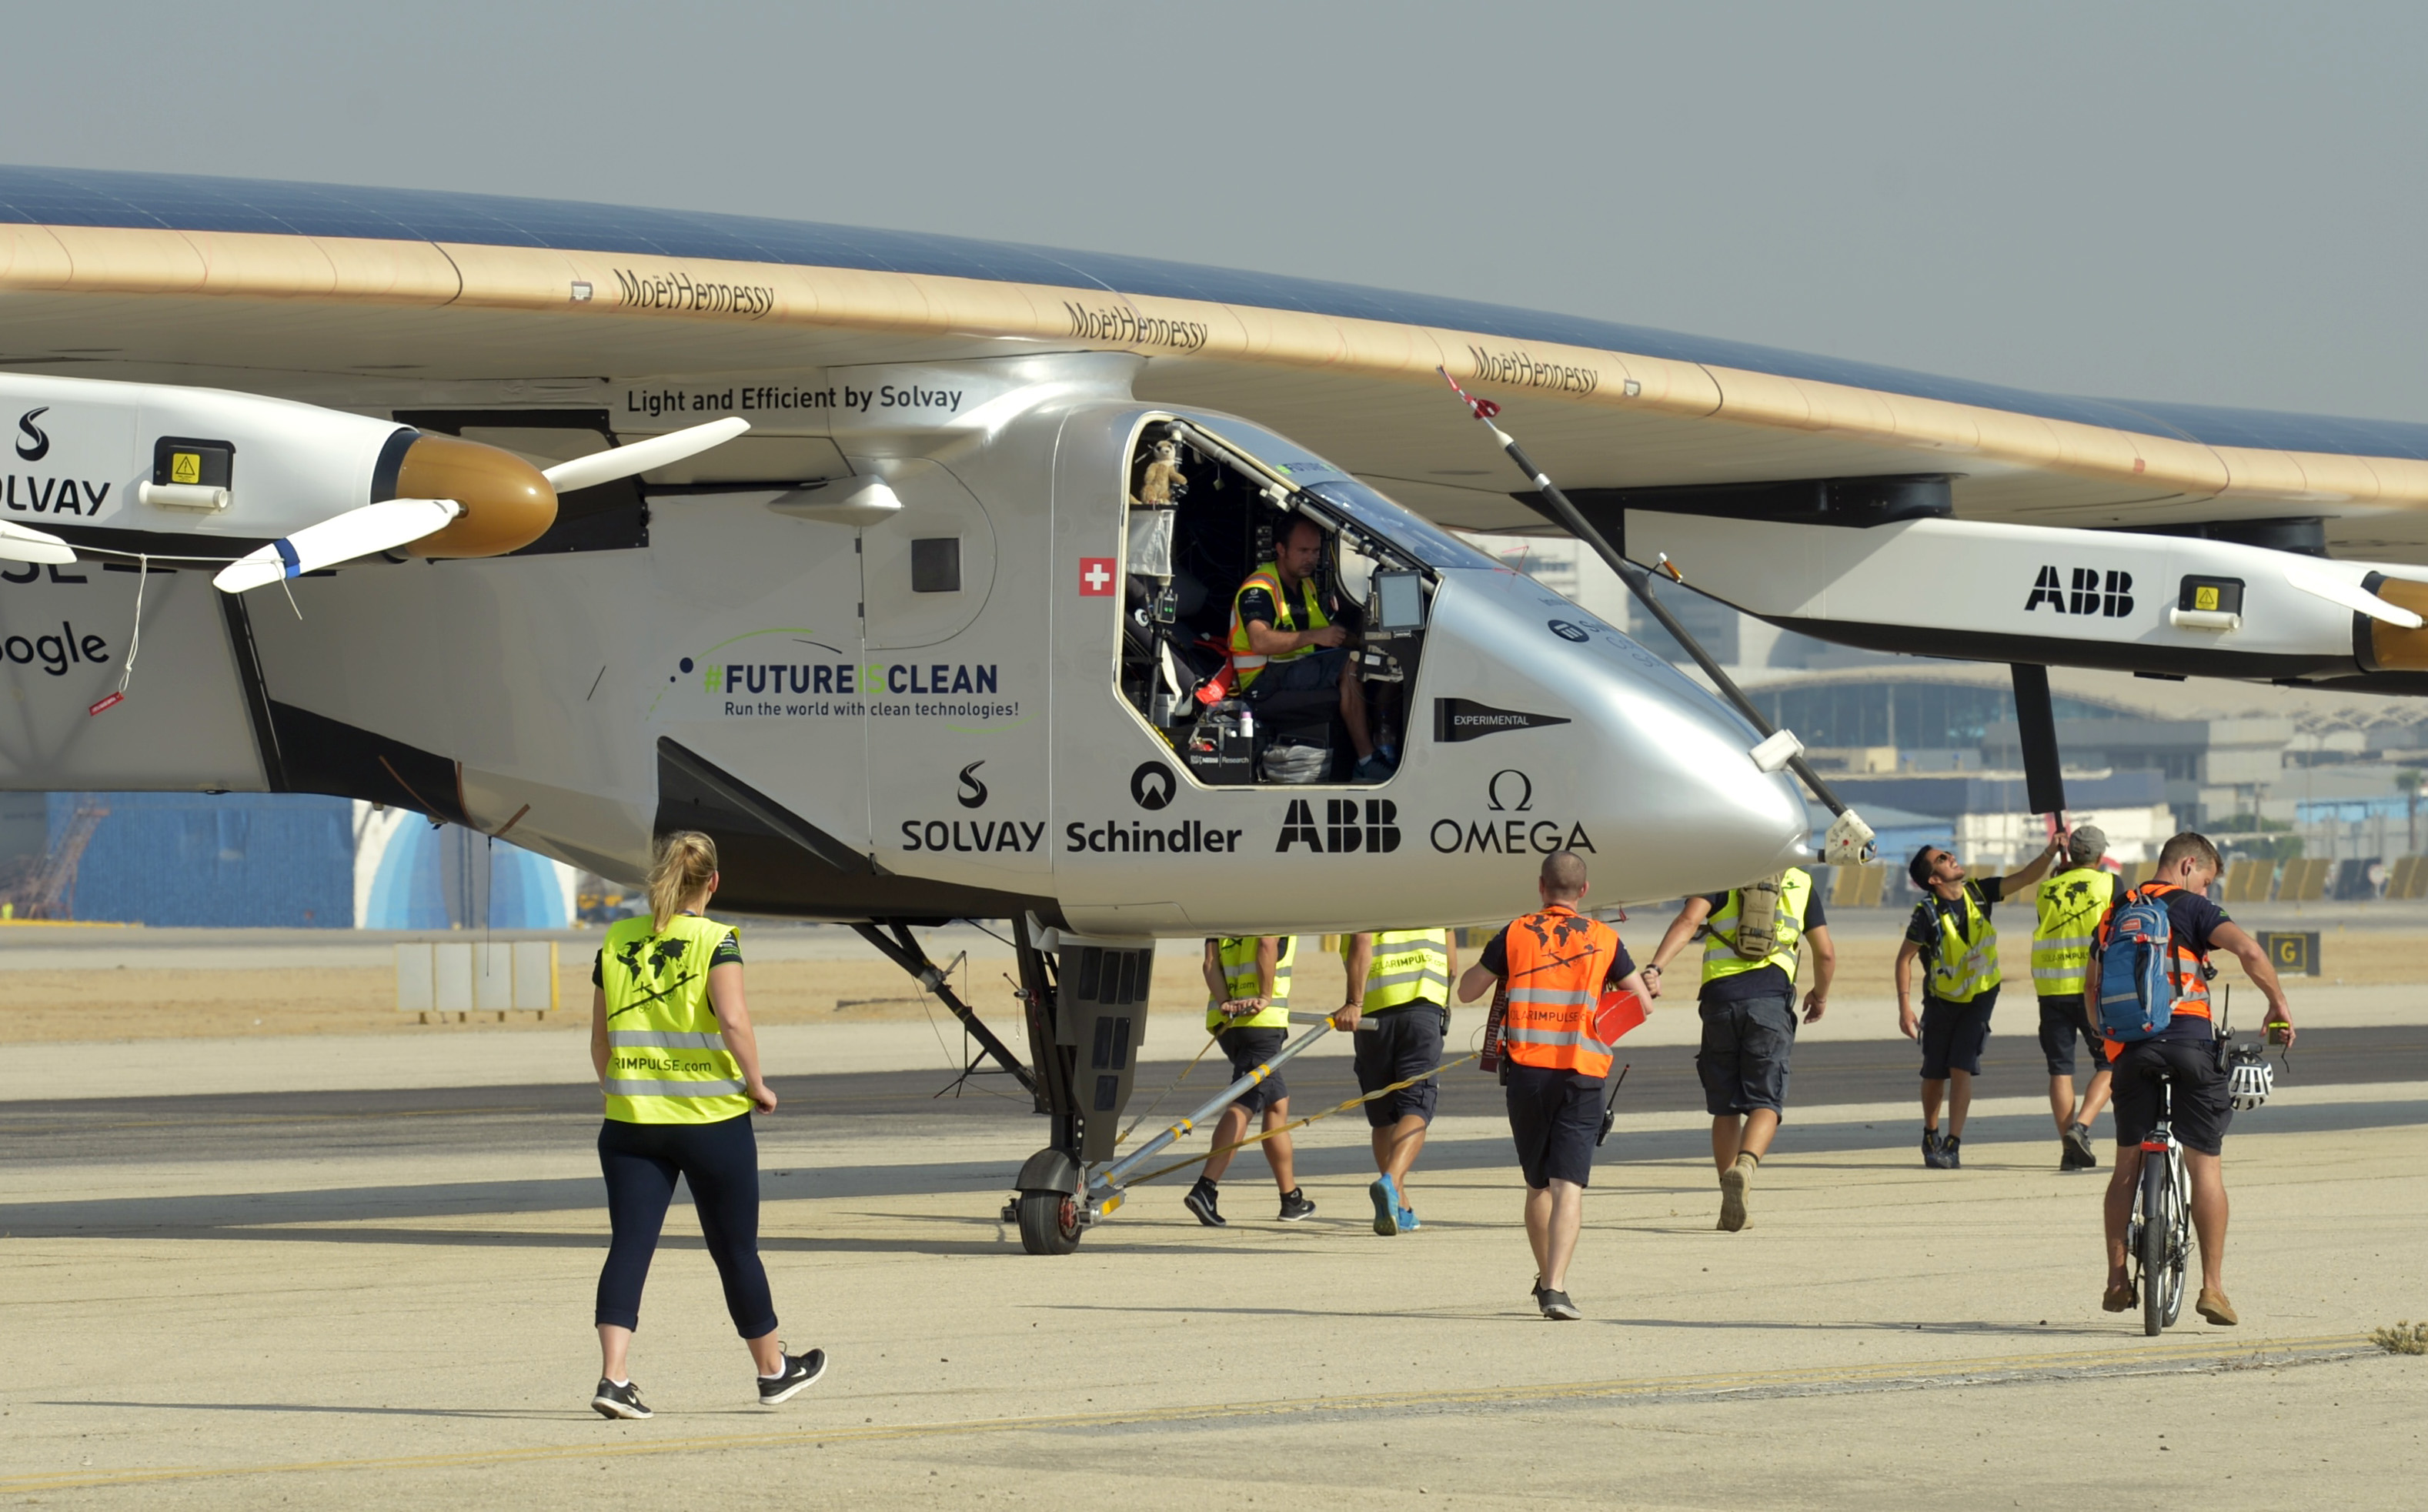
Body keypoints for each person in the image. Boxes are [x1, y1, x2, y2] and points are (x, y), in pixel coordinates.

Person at [586, 832, 823, 1420]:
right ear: (713, 882)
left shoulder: (616, 938)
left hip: (631, 1121)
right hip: (709, 1119)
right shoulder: (716, 940)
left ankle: (614, 1377)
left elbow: (600, 1040)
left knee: (629, 1247)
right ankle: (772, 1371)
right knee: (735, 1249)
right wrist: (758, 1083)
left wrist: (619, 1087)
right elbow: (734, 1021)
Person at [2089, 831, 2295, 1326]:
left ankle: (2118, 1279)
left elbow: (2093, 987)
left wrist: (2110, 1042)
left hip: (2131, 1051)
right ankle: (2214, 1289)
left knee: (2125, 1168)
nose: (2206, 892)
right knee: (2206, 1168)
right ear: (2186, 866)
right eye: (2205, 881)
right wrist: (2278, 1003)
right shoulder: (2192, 908)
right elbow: (2247, 951)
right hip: (2189, 1044)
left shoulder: (2116, 912)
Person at [1457, 852, 1648, 1321]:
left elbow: (1467, 991)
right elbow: (1639, 1003)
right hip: (1583, 1072)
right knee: (1569, 1186)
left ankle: (1546, 1279)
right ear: (1584, 892)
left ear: (1541, 887)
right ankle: (1556, 1286)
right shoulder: (1606, 939)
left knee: (1537, 1183)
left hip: (1528, 1072)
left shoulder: (1517, 933)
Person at [1645, 866, 1833, 1232]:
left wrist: (1655, 968)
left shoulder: (1724, 869)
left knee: (1725, 1106)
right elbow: (1825, 953)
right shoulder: (1800, 880)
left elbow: (1687, 921)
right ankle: (1745, 1167)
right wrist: (1820, 994)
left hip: (1720, 1001)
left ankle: (1727, 1199)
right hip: (1770, 1003)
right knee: (1766, 1101)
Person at [1895, 836, 2063, 1168]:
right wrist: (1905, 1007)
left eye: (1949, 854)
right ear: (1934, 879)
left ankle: (1953, 1145)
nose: (1952, 858)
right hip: (1942, 1000)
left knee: (1962, 1067)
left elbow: (2026, 878)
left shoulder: (1978, 893)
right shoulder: (1926, 914)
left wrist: (2050, 851)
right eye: (1943, 858)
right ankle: (1931, 1132)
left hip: (1982, 995)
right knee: (1934, 1072)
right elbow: (1904, 960)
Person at [1228, 516, 1390, 781]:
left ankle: (1384, 747)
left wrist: (1365, 644)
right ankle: (1367, 760)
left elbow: (1329, 633)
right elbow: (1260, 641)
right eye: (1303, 551)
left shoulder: (1306, 586)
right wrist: (1315, 636)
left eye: (1315, 551)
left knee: (1366, 662)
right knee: (1348, 666)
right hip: (1264, 681)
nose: (1311, 558)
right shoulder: (1259, 589)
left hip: (1291, 669)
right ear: (1281, 549)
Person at [1184, 936, 1318, 1227]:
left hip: (1229, 1023)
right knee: (1246, 1099)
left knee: (1276, 1103)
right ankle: (1206, 1187)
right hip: (1261, 1021)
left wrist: (1225, 1003)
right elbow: (1267, 945)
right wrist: (1266, 996)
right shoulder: (1269, 903)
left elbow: (1210, 963)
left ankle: (1291, 1198)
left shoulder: (1223, 910)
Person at [1335, 928, 1458, 1236]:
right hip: (1421, 1007)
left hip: (1373, 1012)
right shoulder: (1433, 899)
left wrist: (1354, 1001)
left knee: (1382, 1116)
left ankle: (1400, 1205)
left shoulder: (1363, 895)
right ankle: (1390, 1182)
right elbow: (1452, 967)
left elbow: (1361, 942)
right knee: (1416, 1104)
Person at [2032, 823, 2117, 1171]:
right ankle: (2081, 1127)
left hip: (2051, 987)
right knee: (2111, 1062)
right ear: (2099, 855)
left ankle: (2068, 1149)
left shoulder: (2047, 887)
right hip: (2092, 986)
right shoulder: (2110, 884)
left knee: (2060, 1070)